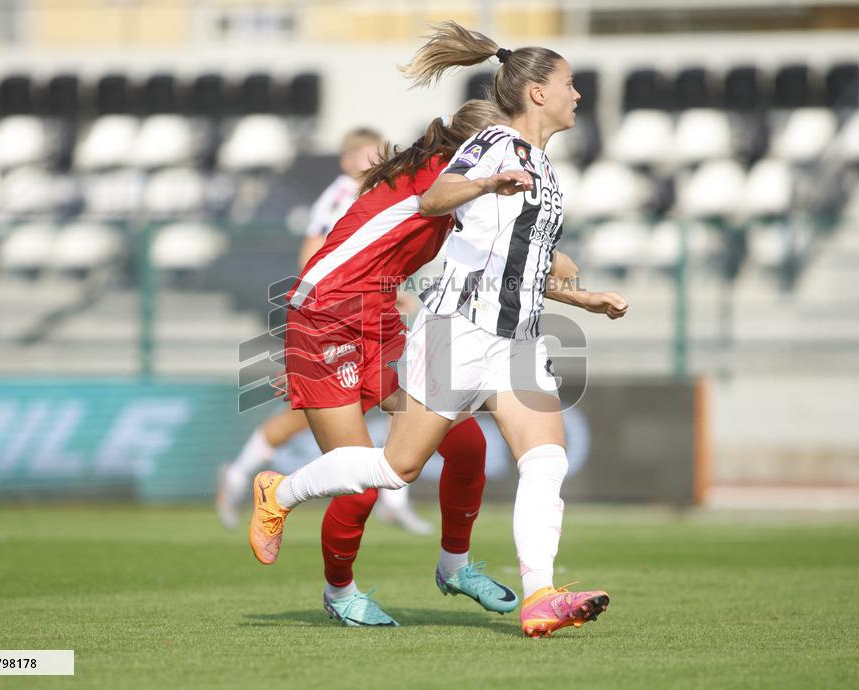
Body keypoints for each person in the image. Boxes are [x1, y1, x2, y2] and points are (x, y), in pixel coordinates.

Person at [248, 22, 629, 638]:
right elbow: (439, 200)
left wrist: (583, 298)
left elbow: (515, 263)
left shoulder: (537, 167)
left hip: (480, 330)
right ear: (533, 94)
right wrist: (484, 182)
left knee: (535, 458)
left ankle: (530, 592)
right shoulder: (488, 152)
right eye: (569, 83)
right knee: (386, 470)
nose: (578, 94)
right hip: (382, 321)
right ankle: (290, 509)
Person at [254, 100, 531, 627]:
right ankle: (338, 591)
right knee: (360, 483)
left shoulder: (457, 184)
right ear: (476, 147)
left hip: (376, 316)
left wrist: (575, 288)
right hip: (324, 319)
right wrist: (488, 184)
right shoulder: (443, 180)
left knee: (468, 445)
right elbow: (430, 203)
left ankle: (454, 566)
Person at [216, 128, 432, 536]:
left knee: (395, 402)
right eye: (367, 156)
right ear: (347, 161)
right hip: (331, 316)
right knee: (310, 414)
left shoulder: (377, 194)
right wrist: (324, 324)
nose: (375, 163)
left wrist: (389, 292)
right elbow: (315, 260)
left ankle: (394, 501)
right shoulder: (338, 198)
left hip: (363, 317)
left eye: (379, 155)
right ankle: (242, 476)